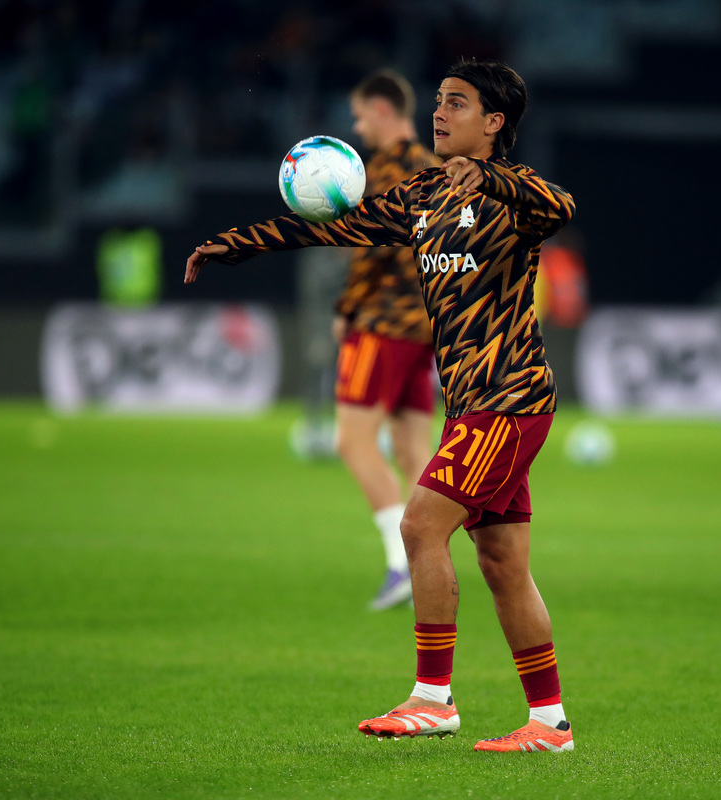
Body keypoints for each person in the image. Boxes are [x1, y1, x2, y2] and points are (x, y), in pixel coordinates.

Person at [186, 58, 577, 753]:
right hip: (472, 405)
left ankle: (433, 699)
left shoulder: (514, 200)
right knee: (502, 563)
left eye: (456, 104)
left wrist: (487, 177)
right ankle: (549, 724)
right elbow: (336, 226)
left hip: (507, 398)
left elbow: (561, 204)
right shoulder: (422, 194)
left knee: (422, 527)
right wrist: (235, 246)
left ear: (493, 123)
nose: (439, 112)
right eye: (438, 101)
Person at [334, 69, 441, 611]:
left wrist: (347, 307)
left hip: (383, 322)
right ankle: (434, 559)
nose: (357, 127)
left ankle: (401, 566)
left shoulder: (383, 168)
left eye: (359, 115)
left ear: (381, 110)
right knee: (412, 448)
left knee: (353, 442)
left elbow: (371, 245)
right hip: (426, 327)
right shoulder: (436, 168)